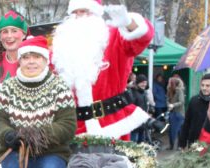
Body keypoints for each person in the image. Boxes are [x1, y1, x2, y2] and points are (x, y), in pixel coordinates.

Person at [0, 36, 76, 168]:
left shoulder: (59, 87)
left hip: (51, 152)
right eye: (26, 57)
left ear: (45, 60)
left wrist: (39, 135)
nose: (31, 62)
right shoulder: (8, 88)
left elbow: (68, 125)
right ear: (20, 60)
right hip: (17, 149)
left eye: (36, 57)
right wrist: (8, 135)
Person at [52, 0, 154, 139]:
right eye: (75, 12)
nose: (79, 16)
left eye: (84, 11)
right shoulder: (60, 47)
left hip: (112, 125)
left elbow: (141, 38)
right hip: (73, 128)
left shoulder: (113, 36)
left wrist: (129, 22)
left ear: (95, 13)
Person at [0, 10, 28, 113]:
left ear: (23, 34)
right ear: (0, 37)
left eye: (14, 31)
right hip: (3, 125)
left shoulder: (33, 60)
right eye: (5, 32)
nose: (9, 36)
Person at [179, 73, 210, 148]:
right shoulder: (194, 100)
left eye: (208, 85)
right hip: (194, 143)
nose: (204, 88)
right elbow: (187, 123)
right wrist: (182, 143)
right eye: (202, 85)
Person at [166, 76, 185, 150]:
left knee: (179, 130)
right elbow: (167, 99)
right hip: (172, 113)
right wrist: (168, 105)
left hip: (179, 113)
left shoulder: (179, 91)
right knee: (171, 130)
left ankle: (179, 146)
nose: (168, 84)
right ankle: (172, 145)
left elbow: (181, 101)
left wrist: (173, 105)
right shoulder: (169, 90)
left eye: (170, 82)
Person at [129, 74, 150, 143]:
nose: (144, 84)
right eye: (142, 82)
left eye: (145, 83)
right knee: (134, 142)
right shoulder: (133, 92)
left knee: (141, 143)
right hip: (135, 123)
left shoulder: (144, 93)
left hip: (142, 123)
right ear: (138, 83)